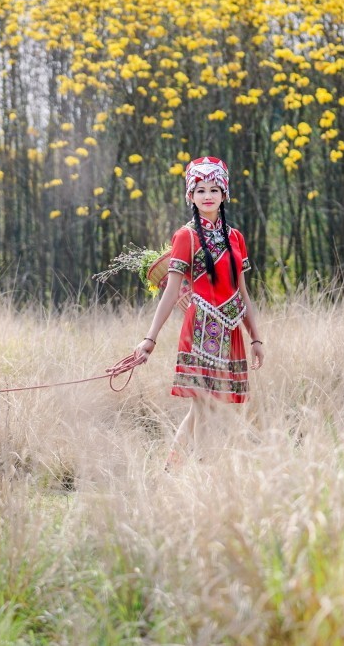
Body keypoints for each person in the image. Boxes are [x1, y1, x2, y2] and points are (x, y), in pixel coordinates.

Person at [133, 156, 265, 468]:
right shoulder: (186, 236)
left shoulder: (236, 238)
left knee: (204, 407)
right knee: (205, 403)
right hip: (200, 328)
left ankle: (172, 465)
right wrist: (149, 339)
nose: (207, 195)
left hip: (230, 329)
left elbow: (242, 292)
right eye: (200, 189)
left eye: (214, 189)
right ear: (190, 196)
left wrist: (256, 338)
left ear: (224, 195)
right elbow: (170, 291)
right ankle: (204, 468)